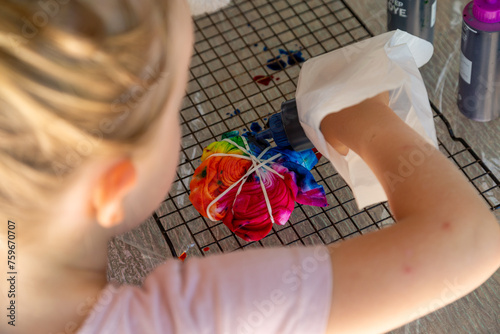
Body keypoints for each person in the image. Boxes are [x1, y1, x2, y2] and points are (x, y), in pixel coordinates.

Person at [0, 0, 498, 333]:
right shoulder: (182, 319)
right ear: (112, 186)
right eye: (172, 108)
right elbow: (467, 241)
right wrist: (365, 118)